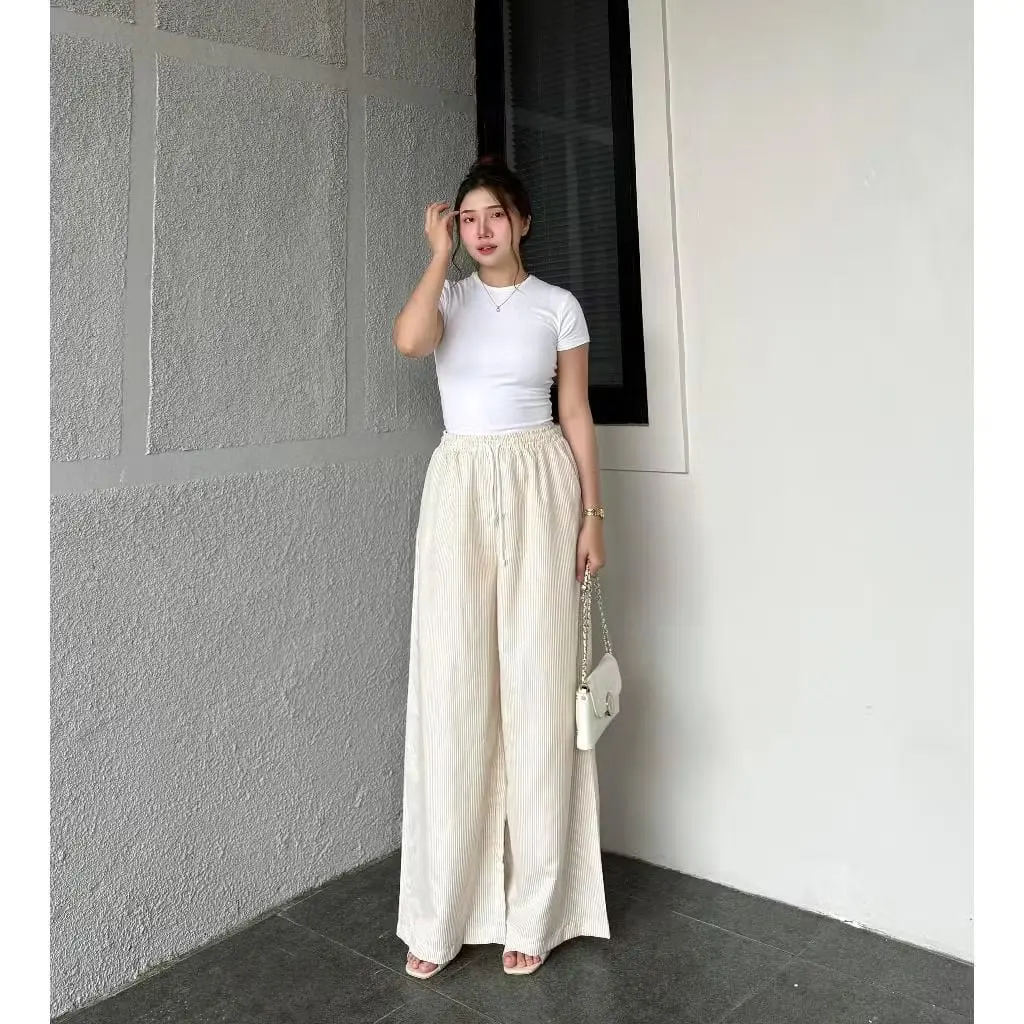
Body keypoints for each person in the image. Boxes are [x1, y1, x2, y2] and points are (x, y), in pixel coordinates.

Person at [393, 156, 610, 978]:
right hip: (460, 484)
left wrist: (593, 517)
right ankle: (441, 917)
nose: (482, 229)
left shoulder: (558, 306)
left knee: (538, 685)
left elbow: (576, 411)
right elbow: (409, 342)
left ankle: (537, 910)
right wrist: (436, 256)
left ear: (522, 221)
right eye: (468, 218)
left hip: (541, 482)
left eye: (494, 215)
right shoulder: (446, 298)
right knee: (453, 685)